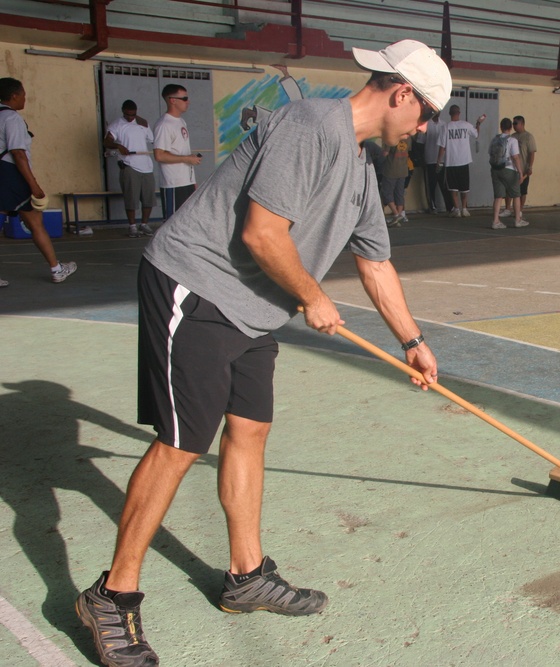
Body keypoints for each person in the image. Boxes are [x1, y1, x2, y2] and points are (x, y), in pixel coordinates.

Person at [75, 39, 451, 667]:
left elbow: (376, 263)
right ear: (402, 93)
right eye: (428, 110)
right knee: (182, 440)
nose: (427, 125)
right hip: (195, 284)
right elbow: (260, 231)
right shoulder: (310, 127)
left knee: (249, 430)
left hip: (252, 308)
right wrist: (310, 295)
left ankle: (245, 577)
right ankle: (112, 595)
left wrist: (413, 342)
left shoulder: (360, 172)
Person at [0, 77, 77, 283]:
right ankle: (56, 268)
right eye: (24, 94)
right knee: (35, 222)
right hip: (10, 174)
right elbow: (18, 153)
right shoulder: (12, 118)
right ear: (14, 96)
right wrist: (34, 185)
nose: (25, 98)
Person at [104, 99, 157, 237]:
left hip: (146, 166)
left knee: (148, 198)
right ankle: (132, 226)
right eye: (127, 114)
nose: (130, 117)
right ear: (123, 111)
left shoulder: (142, 123)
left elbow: (152, 139)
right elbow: (106, 142)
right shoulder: (116, 125)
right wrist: (118, 146)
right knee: (131, 198)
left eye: (133, 115)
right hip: (129, 165)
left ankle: (144, 224)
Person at [153, 84, 201, 218]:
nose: (188, 102)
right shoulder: (164, 125)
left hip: (187, 182)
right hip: (173, 183)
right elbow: (159, 155)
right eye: (184, 98)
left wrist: (192, 181)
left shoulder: (181, 122)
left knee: (185, 222)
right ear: (172, 100)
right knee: (172, 223)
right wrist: (186, 159)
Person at [436, 104, 484, 217]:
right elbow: (476, 134)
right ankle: (464, 209)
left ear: (450, 114)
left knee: (452, 188)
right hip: (464, 161)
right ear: (459, 113)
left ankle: (456, 209)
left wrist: (438, 161)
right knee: (464, 187)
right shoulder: (466, 125)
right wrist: (478, 123)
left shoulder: (445, 127)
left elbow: (442, 147)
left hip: (451, 162)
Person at [489, 118, 527, 229]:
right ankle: (517, 220)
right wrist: (520, 171)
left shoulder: (494, 140)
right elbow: (515, 157)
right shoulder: (512, 140)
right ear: (510, 128)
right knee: (516, 194)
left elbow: (490, 153)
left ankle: (495, 221)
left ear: (501, 127)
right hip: (509, 169)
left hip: (495, 169)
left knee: (498, 196)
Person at [419, 112, 450, 213]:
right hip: (430, 158)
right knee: (431, 184)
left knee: (444, 184)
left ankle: (449, 207)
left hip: (441, 160)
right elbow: (420, 142)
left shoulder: (444, 125)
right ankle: (432, 206)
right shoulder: (426, 124)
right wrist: (422, 158)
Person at [381, 136, 411, 226]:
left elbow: (385, 153)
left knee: (387, 192)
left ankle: (396, 214)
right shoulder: (408, 138)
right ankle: (398, 217)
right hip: (403, 169)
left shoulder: (391, 137)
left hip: (391, 169)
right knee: (399, 193)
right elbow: (408, 150)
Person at [510, 115, 537, 211]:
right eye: (513, 123)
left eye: (515, 123)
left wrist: (530, 167)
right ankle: (509, 209)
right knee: (511, 191)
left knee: (523, 191)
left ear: (522, 124)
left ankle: (520, 210)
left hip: (523, 169)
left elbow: (531, 153)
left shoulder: (528, 137)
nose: (514, 125)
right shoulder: (512, 136)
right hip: (513, 169)